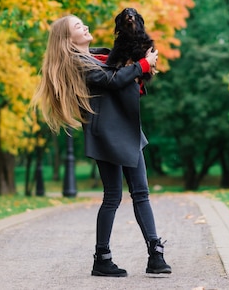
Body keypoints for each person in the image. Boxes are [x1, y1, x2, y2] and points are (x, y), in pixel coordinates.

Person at [32, 14, 171, 277]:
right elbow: (112, 81)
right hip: (107, 133)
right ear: (67, 39)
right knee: (113, 196)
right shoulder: (76, 63)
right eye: (77, 26)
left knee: (141, 192)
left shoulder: (101, 55)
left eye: (83, 23)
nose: (85, 27)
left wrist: (142, 68)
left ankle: (156, 253)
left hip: (127, 127)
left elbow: (123, 78)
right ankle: (102, 258)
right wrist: (142, 64)